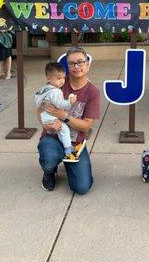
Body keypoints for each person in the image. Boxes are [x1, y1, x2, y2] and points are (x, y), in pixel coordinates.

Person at [37, 46, 100, 193]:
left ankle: (68, 162)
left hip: (75, 143)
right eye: (72, 63)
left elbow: (86, 126)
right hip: (52, 136)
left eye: (80, 62)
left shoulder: (92, 92)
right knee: (49, 156)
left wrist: (62, 114)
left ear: (87, 64)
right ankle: (49, 170)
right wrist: (47, 126)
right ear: (67, 66)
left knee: (82, 187)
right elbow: (39, 110)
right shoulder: (56, 85)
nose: (76, 66)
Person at [35, 62, 79, 163]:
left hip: (46, 117)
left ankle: (61, 147)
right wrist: (70, 102)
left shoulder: (43, 90)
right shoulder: (56, 91)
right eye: (58, 78)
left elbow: (38, 104)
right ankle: (68, 150)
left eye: (63, 77)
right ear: (49, 78)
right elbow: (60, 105)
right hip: (52, 118)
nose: (62, 81)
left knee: (59, 131)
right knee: (65, 130)